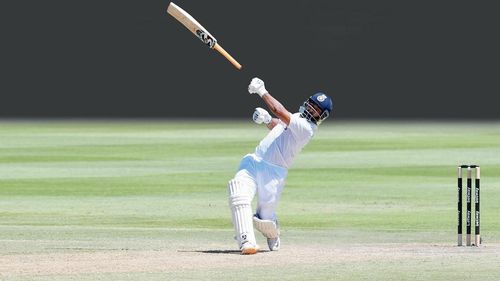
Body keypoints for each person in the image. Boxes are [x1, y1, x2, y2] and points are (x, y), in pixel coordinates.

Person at [227, 77, 334, 254]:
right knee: (238, 193)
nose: (312, 108)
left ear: (320, 116)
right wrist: (268, 119)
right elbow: (281, 125)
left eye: (317, 109)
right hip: (254, 161)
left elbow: (278, 110)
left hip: (274, 173)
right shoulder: (298, 118)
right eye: (312, 104)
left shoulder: (307, 128)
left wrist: (262, 91)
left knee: (264, 220)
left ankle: (273, 231)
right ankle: (246, 242)